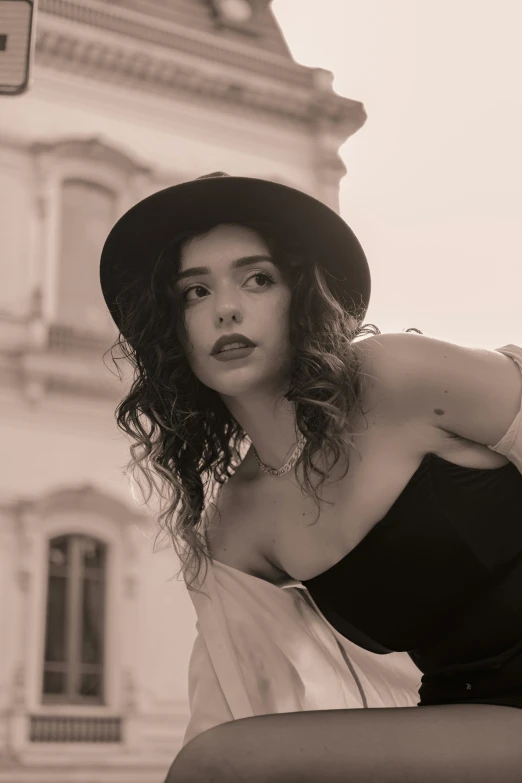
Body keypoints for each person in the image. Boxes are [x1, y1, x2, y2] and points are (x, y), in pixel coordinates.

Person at [99, 172, 522, 782]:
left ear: (302, 297)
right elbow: (229, 692)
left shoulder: (396, 378)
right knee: (211, 764)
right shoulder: (239, 526)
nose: (226, 308)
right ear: (173, 331)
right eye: (194, 292)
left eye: (258, 279)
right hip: (477, 720)